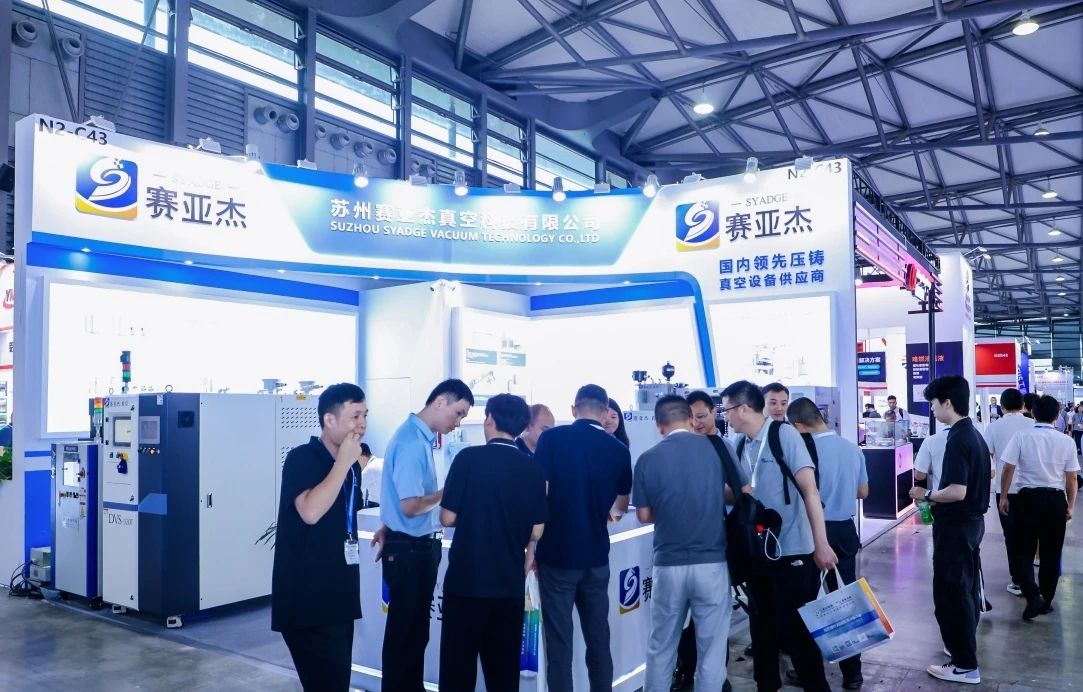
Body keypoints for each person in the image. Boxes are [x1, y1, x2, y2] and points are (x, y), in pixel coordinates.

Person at [721, 380, 837, 692]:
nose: (725, 416)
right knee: (761, 627)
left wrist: (821, 544)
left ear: (744, 408)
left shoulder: (784, 435)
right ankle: (766, 685)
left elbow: (810, 491)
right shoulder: (739, 443)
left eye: (727, 409)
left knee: (796, 630)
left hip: (793, 550)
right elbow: (739, 493)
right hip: (757, 553)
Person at [634, 395, 747, 692]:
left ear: (659, 425)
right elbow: (742, 492)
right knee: (712, 648)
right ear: (689, 419)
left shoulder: (647, 458)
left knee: (661, 645)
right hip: (712, 563)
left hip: (668, 564)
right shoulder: (716, 449)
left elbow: (644, 516)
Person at [438, 394, 547, 692]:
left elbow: (447, 517)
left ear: (489, 420)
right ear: (522, 427)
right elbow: (537, 531)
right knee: (503, 672)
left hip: (466, 581)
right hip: (508, 583)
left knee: (457, 670)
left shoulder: (467, 459)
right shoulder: (532, 469)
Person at [534, 384, 633, 692]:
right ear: (605, 412)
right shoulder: (619, 450)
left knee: (559, 643)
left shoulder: (551, 438)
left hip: (556, 556)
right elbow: (621, 504)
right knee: (598, 638)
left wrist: (532, 543)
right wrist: (607, 512)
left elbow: (539, 493)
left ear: (573, 409)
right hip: (596, 556)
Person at [271, 383, 368, 692]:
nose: (362, 424)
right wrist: (343, 463)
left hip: (339, 595)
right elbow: (310, 512)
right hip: (307, 601)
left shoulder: (350, 467)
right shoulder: (303, 458)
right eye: (355, 416)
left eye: (365, 416)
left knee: (336, 682)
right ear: (329, 420)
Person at [379, 379, 473, 692]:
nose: (457, 423)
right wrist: (448, 493)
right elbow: (410, 505)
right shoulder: (410, 442)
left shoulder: (419, 439)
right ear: (440, 402)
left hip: (414, 548)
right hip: (410, 550)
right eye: (458, 413)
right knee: (405, 633)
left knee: (415, 633)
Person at [908, 375, 990, 685]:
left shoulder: (957, 438)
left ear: (947, 402)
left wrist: (926, 494)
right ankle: (962, 652)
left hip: (956, 525)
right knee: (964, 590)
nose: (931, 409)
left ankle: (965, 665)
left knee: (951, 594)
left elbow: (957, 491)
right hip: (971, 524)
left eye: (933, 403)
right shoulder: (973, 434)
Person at [788, 397, 869, 690]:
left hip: (811, 533)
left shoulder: (800, 451)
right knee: (844, 601)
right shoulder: (851, 448)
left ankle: (808, 671)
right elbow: (863, 492)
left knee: (807, 602)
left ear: (798, 425)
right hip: (845, 532)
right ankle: (853, 674)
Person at [998, 394, 1079, 620]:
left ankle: (1033, 596)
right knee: (1051, 552)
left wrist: (1004, 496)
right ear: (1056, 416)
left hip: (1027, 499)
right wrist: (1071, 506)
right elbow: (1072, 478)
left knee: (1023, 550)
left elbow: (1008, 468)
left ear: (1032, 412)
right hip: (1055, 500)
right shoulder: (1067, 441)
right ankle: (1046, 600)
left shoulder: (1021, 436)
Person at [985, 388, 1031, 598]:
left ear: (1001, 407)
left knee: (1011, 536)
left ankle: (1018, 580)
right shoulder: (1033, 424)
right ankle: (1029, 578)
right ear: (1023, 405)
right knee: (1030, 534)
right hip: (1031, 488)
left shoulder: (993, 427)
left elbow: (987, 455)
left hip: (1005, 489)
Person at [358, 443, 382, 508]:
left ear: (361, 457)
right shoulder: (382, 461)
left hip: (376, 507)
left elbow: (355, 488)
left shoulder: (369, 469)